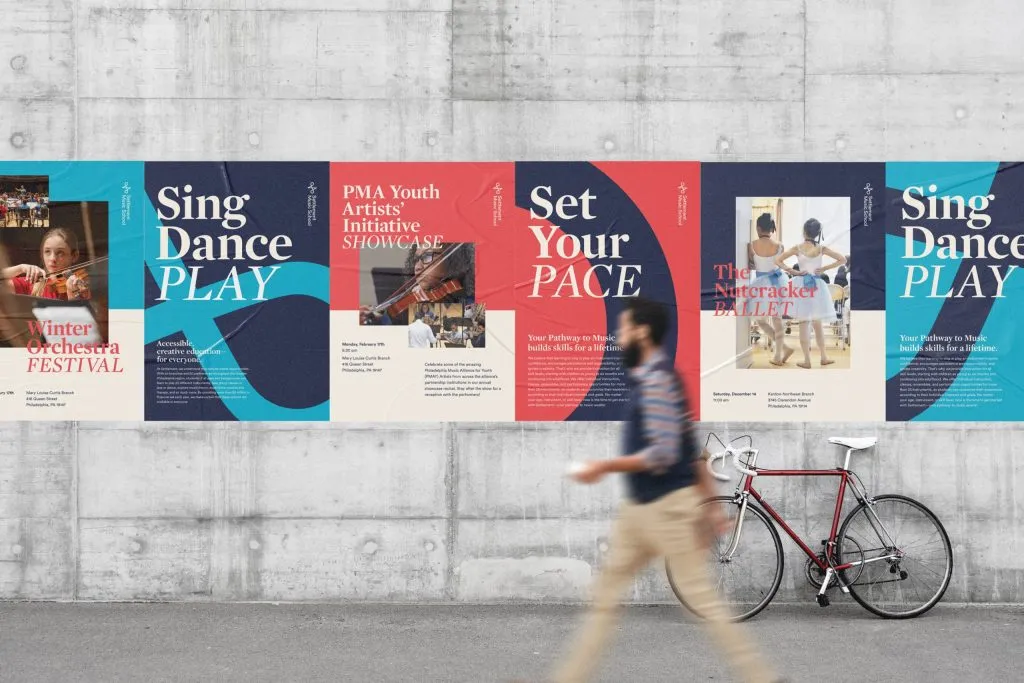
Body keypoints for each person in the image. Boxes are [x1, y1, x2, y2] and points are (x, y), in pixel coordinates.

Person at [550, 297, 783, 683]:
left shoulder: (657, 380)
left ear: (641, 331)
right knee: (606, 597)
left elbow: (661, 454)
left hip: (666, 511)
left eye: (623, 328)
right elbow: (692, 449)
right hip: (640, 512)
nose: (617, 335)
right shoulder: (656, 378)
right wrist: (710, 507)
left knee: (700, 599)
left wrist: (603, 466)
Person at [775, 219, 844, 369]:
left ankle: (807, 360)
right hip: (818, 287)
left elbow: (778, 260)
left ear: (804, 232)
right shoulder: (821, 248)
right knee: (817, 323)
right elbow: (842, 259)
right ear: (818, 233)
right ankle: (824, 357)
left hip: (801, 287)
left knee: (804, 323)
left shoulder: (798, 248)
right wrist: (825, 267)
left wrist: (793, 271)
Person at [745, 212, 794, 366]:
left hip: (761, 285)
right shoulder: (780, 246)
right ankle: (781, 352)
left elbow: (751, 265)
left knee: (760, 320)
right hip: (778, 282)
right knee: (777, 320)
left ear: (758, 228)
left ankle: (782, 353)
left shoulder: (751, 245)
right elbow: (779, 264)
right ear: (772, 228)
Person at [1, 227, 91, 300]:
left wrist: (74, 298)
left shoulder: (80, 286)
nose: (52, 259)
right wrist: (20, 268)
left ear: (74, 256)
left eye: (60, 253)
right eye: (47, 251)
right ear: (42, 254)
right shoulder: (30, 283)